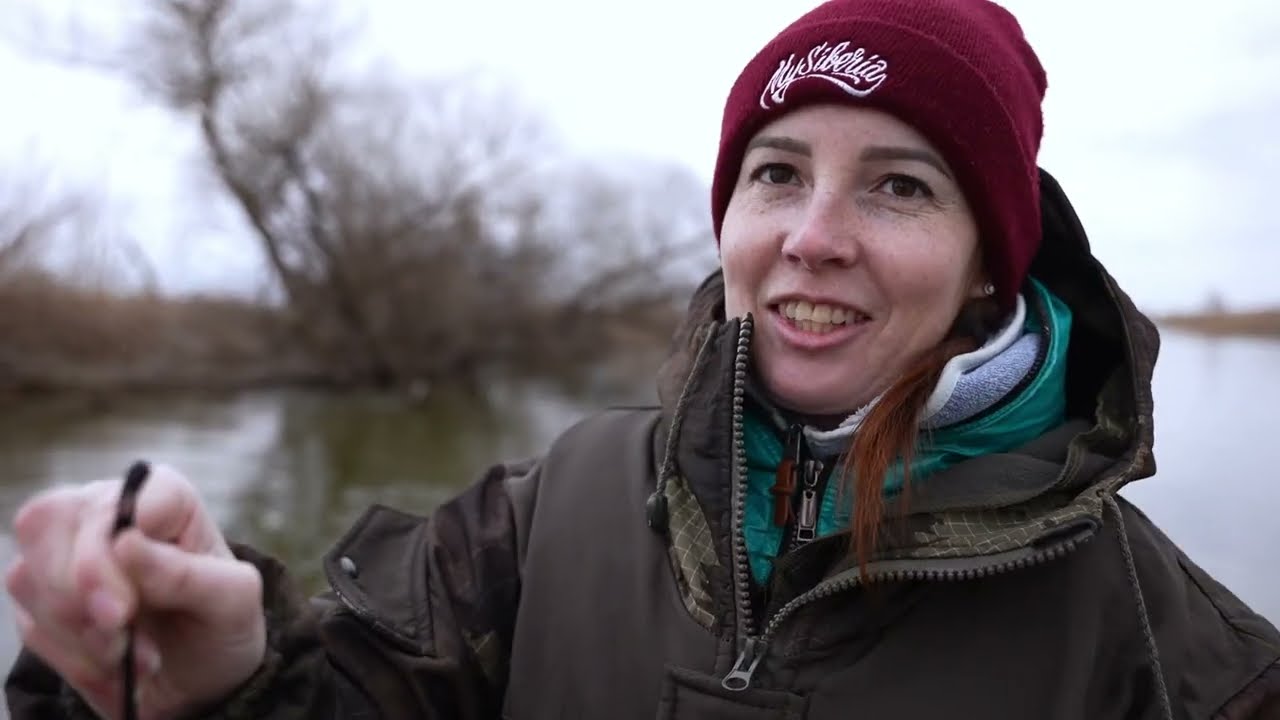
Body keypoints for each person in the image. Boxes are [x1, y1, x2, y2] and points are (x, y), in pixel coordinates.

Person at [6, 0, 1280, 718]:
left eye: (897, 187)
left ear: (990, 263)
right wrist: (215, 675)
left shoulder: (1180, 661)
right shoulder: (549, 507)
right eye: (775, 175)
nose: (810, 238)